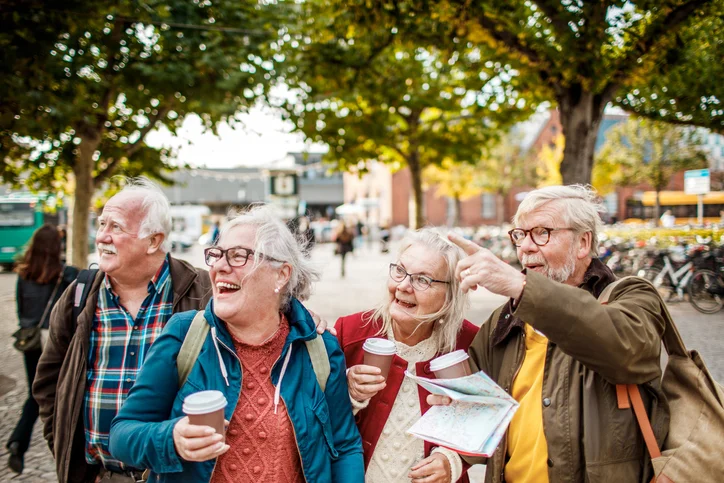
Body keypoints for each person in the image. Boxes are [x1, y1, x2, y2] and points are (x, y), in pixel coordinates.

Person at [430, 185, 668, 483]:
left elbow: (625, 349)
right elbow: (483, 413)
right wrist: (453, 431)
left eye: (542, 232)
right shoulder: (505, 320)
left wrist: (522, 287)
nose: (526, 247)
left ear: (583, 243)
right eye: (520, 234)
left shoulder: (633, 297)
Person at [109, 205, 364, 482]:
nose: (219, 266)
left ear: (281, 274)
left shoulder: (319, 348)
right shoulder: (185, 335)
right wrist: (171, 439)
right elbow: (122, 435)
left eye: (239, 256)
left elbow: (345, 445)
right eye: (216, 255)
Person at [33, 178, 213, 483]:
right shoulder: (79, 294)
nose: (102, 236)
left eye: (116, 227)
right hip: (99, 476)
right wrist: (68, 452)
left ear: (154, 241)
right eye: (101, 224)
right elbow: (49, 384)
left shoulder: (202, 291)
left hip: (172, 476)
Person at [335, 228, 479, 483]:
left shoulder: (471, 344)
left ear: (450, 294)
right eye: (400, 271)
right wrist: (346, 391)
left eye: (422, 280)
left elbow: (489, 421)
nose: (403, 286)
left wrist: (453, 461)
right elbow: (312, 420)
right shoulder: (350, 332)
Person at [7, 225, 79, 474]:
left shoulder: (24, 273)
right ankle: (56, 445)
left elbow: (21, 309)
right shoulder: (64, 273)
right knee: (55, 393)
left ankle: (19, 440)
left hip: (31, 340)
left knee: (35, 391)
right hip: (55, 341)